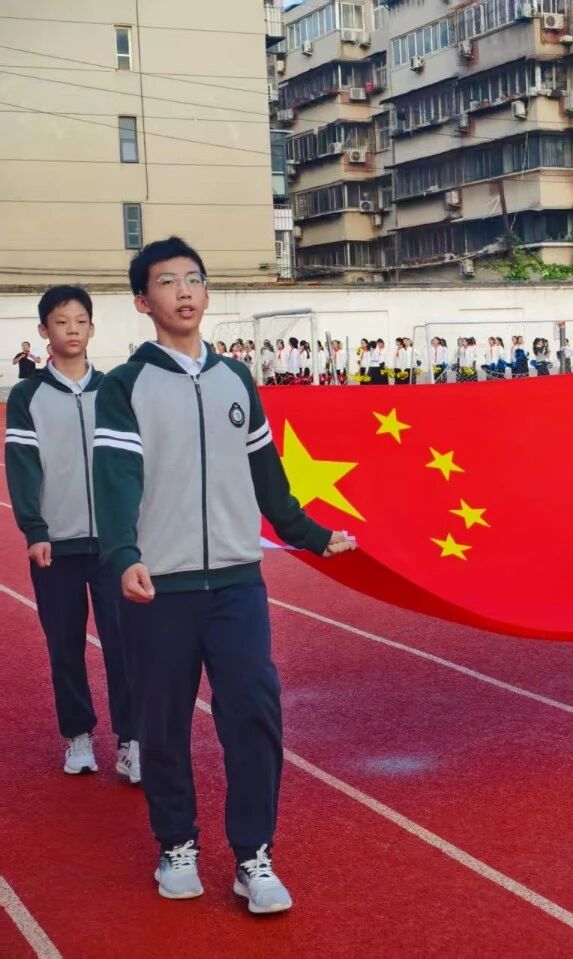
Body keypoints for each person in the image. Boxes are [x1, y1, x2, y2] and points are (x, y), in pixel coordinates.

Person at [93, 236, 357, 912]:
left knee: (254, 714)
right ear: (142, 301)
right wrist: (123, 555)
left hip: (238, 584)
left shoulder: (236, 378)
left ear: (206, 292)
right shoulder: (124, 386)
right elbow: (116, 480)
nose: (184, 291)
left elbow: (269, 478)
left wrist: (310, 534)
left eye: (194, 279)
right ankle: (176, 843)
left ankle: (253, 855)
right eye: (167, 281)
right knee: (162, 723)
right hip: (160, 586)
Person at [6, 285, 139, 782]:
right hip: (55, 545)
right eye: (62, 322)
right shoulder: (28, 396)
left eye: (81, 321)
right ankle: (78, 736)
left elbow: (133, 463)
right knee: (65, 647)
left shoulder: (115, 390)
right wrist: (34, 529)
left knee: (125, 646)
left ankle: (130, 741)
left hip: (113, 545)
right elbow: (23, 465)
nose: (73, 330)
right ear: (45, 331)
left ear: (92, 328)